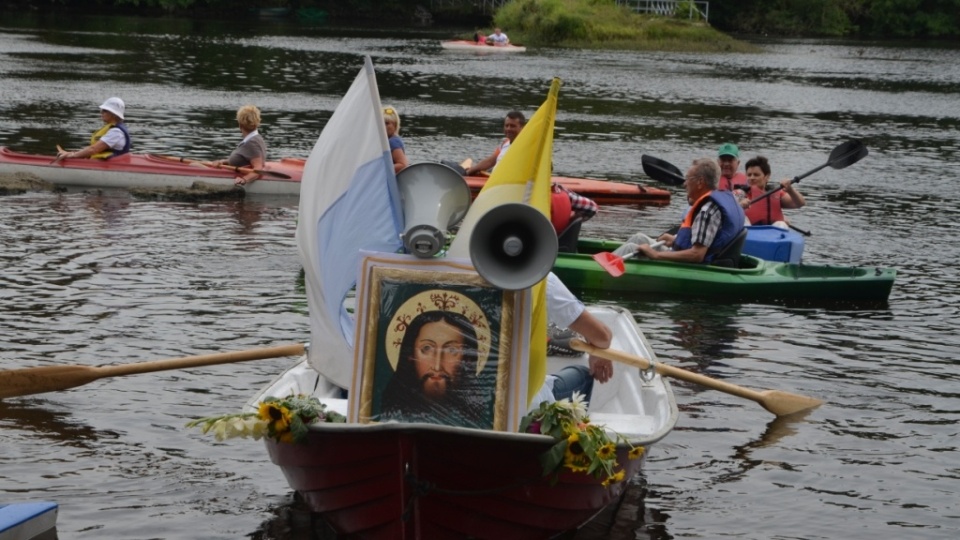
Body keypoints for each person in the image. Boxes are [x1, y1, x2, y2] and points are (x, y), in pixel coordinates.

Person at [613, 157, 745, 264]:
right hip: (694, 257)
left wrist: (656, 255)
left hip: (692, 268)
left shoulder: (707, 211)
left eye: (688, 179)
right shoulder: (721, 200)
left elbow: (697, 255)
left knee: (630, 248)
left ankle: (599, 269)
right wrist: (677, 241)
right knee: (639, 238)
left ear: (700, 182)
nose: (684, 183)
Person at [380, 310, 484, 427]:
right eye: (426, 348)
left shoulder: (479, 418)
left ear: (467, 359)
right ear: (410, 355)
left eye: (452, 350)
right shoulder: (392, 413)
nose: (437, 366)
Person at [528, 272, 614, 409]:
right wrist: (596, 351)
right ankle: (574, 429)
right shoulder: (541, 280)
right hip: (526, 404)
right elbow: (602, 336)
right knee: (583, 376)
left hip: (482, 406)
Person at [206, 104, 267, 186]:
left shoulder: (253, 143)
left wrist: (244, 179)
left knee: (194, 165)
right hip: (229, 170)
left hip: (233, 176)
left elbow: (258, 169)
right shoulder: (255, 138)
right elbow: (244, 158)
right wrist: (223, 162)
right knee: (202, 163)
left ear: (240, 125)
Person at [55, 97, 130, 161]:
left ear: (114, 114)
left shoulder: (116, 132)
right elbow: (92, 149)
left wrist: (72, 155)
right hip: (103, 163)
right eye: (102, 110)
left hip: (112, 165)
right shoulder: (112, 129)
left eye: (105, 110)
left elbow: (93, 149)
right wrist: (70, 153)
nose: (101, 112)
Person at [740, 155, 806, 228]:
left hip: (773, 235)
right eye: (749, 175)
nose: (751, 178)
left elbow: (800, 203)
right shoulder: (740, 193)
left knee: (781, 224)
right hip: (749, 233)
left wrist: (790, 190)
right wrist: (739, 205)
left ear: (767, 177)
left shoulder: (775, 193)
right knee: (743, 221)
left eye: (756, 175)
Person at [463, 110, 525, 177]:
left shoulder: (527, 145)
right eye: (506, 126)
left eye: (512, 126)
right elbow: (490, 161)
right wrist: (468, 172)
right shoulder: (505, 143)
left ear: (522, 128)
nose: (508, 129)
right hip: (494, 180)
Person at [383, 106, 408, 174]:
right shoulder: (390, 140)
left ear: (395, 124)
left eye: (387, 123)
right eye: (382, 123)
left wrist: (381, 170)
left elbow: (403, 165)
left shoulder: (393, 141)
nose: (384, 126)